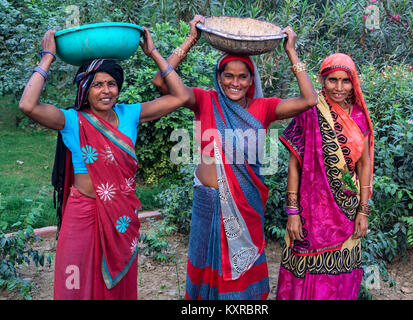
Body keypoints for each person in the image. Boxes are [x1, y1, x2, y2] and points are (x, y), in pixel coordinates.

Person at [153, 15, 318, 300]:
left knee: (242, 275)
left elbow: (309, 100)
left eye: (243, 76)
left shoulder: (264, 108)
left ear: (252, 79)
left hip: (245, 204)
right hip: (207, 201)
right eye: (228, 76)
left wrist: (291, 51)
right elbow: (161, 82)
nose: (235, 82)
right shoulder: (205, 100)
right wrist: (191, 40)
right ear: (219, 78)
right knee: (206, 266)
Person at [18, 27, 190, 299]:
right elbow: (28, 105)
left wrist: (153, 52)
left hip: (120, 216)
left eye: (112, 84)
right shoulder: (72, 121)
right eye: (97, 84)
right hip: (82, 215)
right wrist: (48, 57)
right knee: (74, 278)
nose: (106, 91)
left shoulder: (130, 114)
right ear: (85, 89)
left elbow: (180, 97)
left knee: (116, 284)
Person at [275, 53, 374, 300]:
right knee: (305, 271)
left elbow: (364, 166)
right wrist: (293, 213)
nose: (339, 87)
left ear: (354, 83)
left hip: (346, 211)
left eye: (345, 81)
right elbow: (294, 165)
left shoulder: (359, 117)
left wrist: (363, 211)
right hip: (309, 212)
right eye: (332, 80)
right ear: (322, 80)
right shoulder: (309, 112)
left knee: (341, 274)